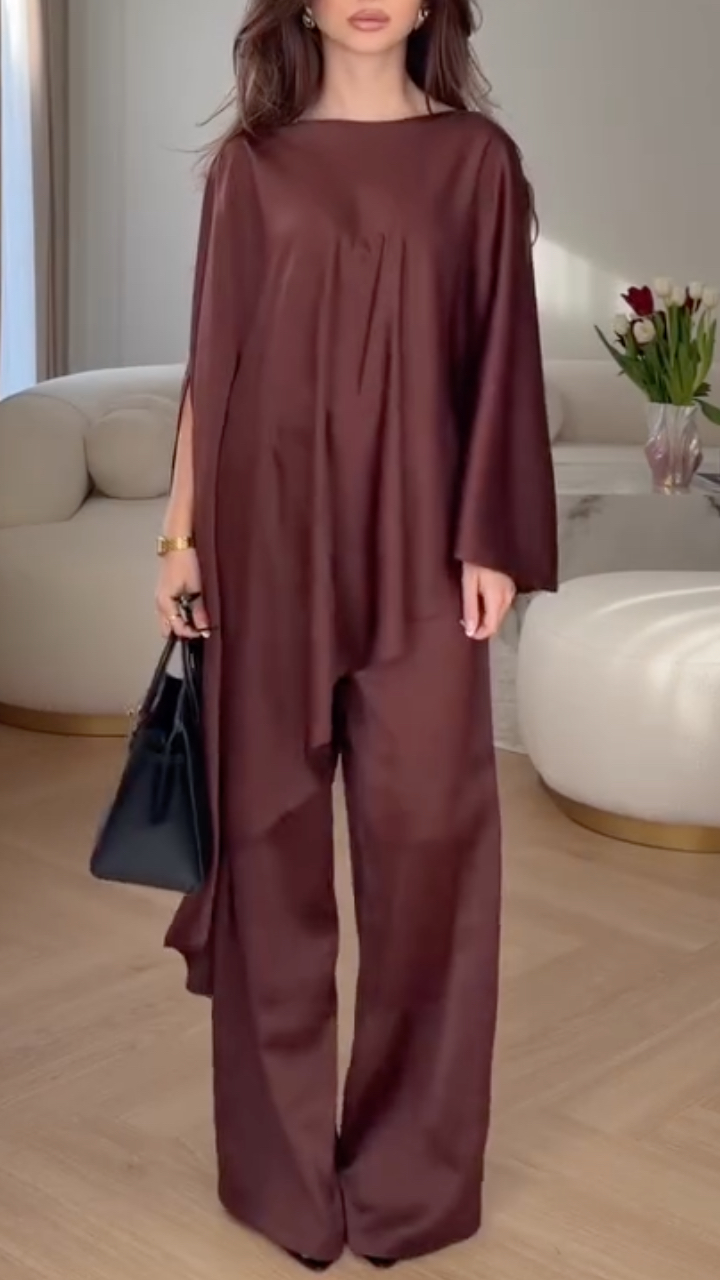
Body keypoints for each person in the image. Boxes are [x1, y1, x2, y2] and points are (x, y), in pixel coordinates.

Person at [155, 0, 557, 1270]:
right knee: (269, 850)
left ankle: (409, 1178)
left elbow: (502, 355)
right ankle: (281, 1179)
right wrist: (181, 534)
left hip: (424, 546)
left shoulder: (476, 160)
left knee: (431, 850)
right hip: (266, 543)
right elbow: (211, 360)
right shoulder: (250, 168)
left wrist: (492, 538)